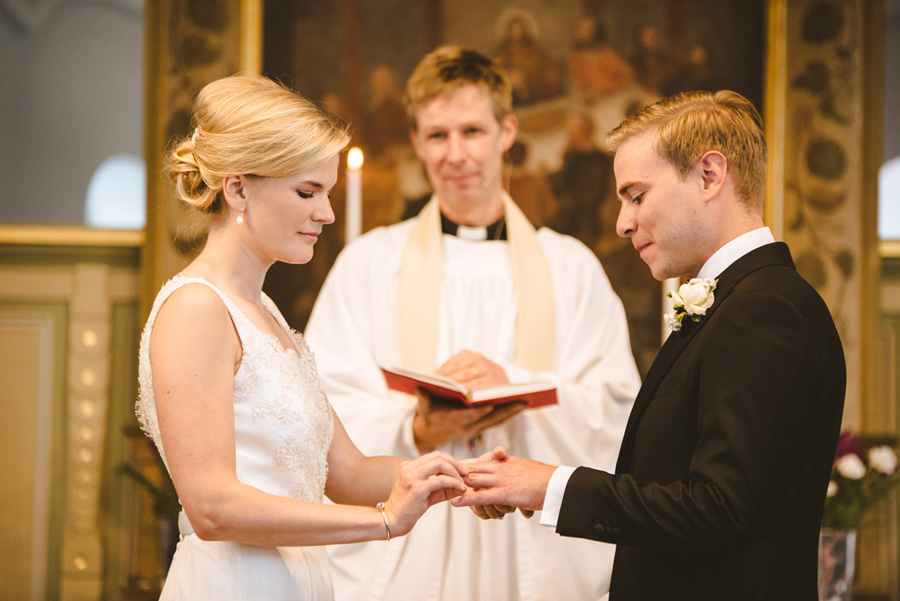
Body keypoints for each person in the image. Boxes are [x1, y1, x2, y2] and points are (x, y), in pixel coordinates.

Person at [455, 90, 847, 600]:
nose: (622, 223)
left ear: (710, 176)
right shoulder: (744, 303)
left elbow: (719, 508)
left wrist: (550, 486)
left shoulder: (762, 311)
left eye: (637, 196)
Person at [304, 46, 640, 601]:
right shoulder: (369, 264)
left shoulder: (571, 267)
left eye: (472, 132)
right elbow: (322, 409)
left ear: (507, 131)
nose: (455, 154)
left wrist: (511, 385)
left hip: (530, 549)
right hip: (410, 552)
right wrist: (416, 429)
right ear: (415, 143)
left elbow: (616, 412)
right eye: (437, 136)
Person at [134, 73, 469, 600]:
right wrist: (382, 522)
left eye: (328, 192)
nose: (327, 213)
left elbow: (350, 474)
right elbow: (213, 507)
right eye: (307, 191)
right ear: (238, 187)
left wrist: (458, 477)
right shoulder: (197, 308)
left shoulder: (263, 310)